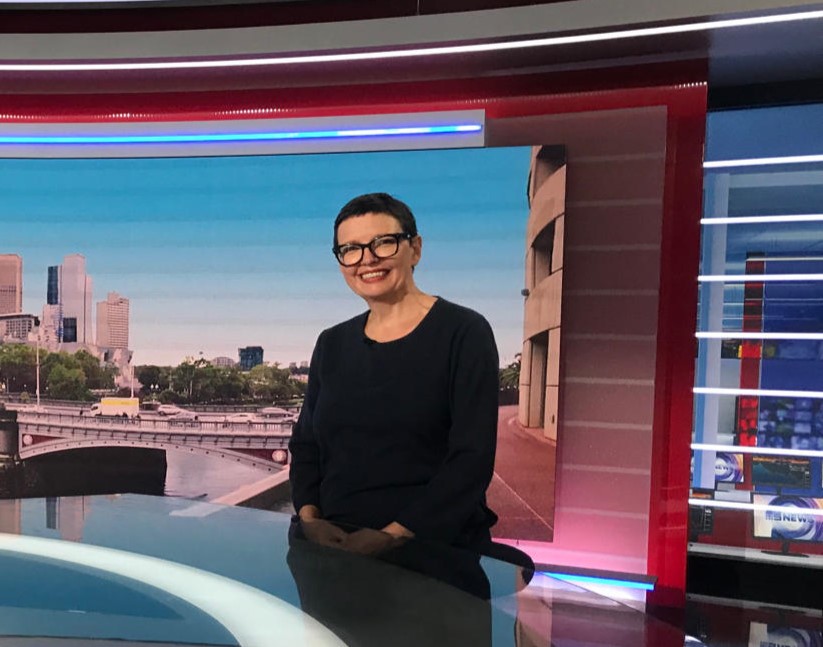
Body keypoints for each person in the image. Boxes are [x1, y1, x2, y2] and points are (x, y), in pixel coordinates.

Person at [288, 192, 500, 555]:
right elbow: (306, 446)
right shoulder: (331, 343)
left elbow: (471, 460)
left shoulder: (464, 332)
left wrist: (394, 535)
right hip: (331, 552)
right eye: (350, 249)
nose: (367, 260)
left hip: (433, 555)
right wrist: (309, 520)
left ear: (415, 249)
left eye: (383, 243)